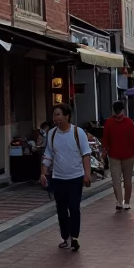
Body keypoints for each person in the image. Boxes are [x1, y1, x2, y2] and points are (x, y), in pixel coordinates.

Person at [40, 102, 91, 251]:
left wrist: (87, 174)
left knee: (74, 207)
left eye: (58, 115)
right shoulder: (52, 133)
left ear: (67, 116)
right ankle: (65, 237)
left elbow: (85, 154)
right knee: (61, 209)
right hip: (58, 178)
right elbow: (48, 154)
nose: (55, 118)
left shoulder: (78, 132)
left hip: (76, 177)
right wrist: (43, 172)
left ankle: (75, 237)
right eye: (54, 115)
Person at [101, 101, 134, 210]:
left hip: (114, 155)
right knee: (128, 180)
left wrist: (104, 152)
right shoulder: (129, 122)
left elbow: (105, 140)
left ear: (113, 109)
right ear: (123, 109)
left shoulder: (109, 122)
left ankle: (119, 201)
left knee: (116, 180)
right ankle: (127, 202)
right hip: (128, 155)